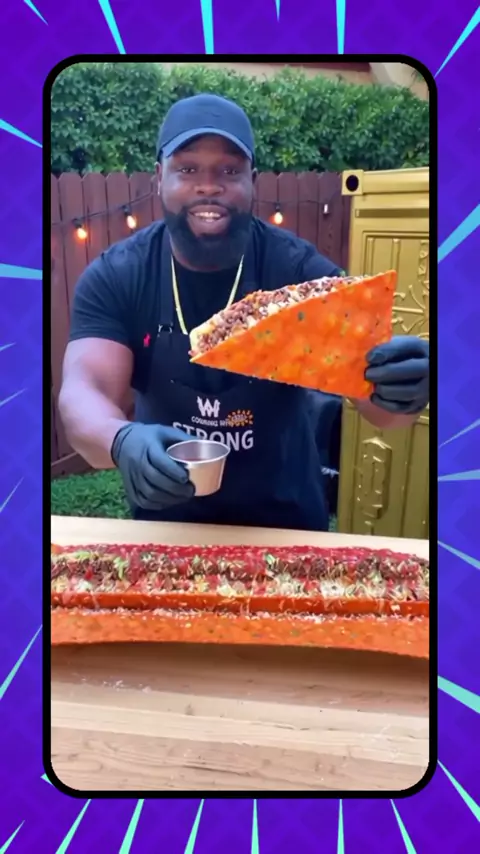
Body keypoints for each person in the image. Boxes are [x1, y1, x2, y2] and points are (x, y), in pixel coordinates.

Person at [58, 93, 429, 532]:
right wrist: (120, 440)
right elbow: (83, 392)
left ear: (253, 181)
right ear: (159, 178)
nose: (208, 186)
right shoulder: (119, 275)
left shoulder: (298, 272)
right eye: (187, 169)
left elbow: (383, 413)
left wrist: (403, 388)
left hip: (286, 522)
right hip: (167, 523)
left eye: (229, 171)